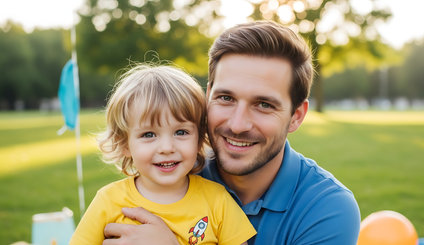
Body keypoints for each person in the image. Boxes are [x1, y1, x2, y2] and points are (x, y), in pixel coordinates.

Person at [103, 21, 361, 245]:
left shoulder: (326, 208)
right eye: (226, 98)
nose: (238, 125)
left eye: (264, 104)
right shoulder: (172, 171)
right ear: (208, 95)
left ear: (296, 116)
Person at [70, 64, 256, 245]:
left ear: (199, 138)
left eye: (181, 132)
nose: (166, 148)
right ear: (124, 143)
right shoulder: (109, 201)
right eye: (148, 135)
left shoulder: (218, 201)